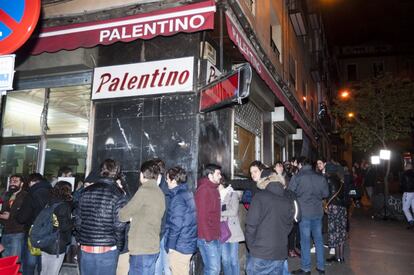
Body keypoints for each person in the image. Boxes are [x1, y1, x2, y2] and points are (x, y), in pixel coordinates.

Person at [76, 159, 127, 275]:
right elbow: (119, 225)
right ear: (116, 172)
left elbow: (78, 221)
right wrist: (119, 246)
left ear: (101, 171)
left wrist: (80, 240)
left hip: (85, 248)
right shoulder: (118, 193)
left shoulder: (85, 191)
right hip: (107, 249)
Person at [119, 160, 166, 274]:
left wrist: (130, 216)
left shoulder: (144, 191)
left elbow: (123, 215)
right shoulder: (159, 192)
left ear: (142, 174)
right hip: (152, 246)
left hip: (141, 247)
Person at [246, 169, 294, 275]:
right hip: (280, 253)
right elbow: (290, 225)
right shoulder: (287, 200)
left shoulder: (259, 197)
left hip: (260, 252)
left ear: (264, 182)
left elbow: (251, 225)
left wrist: (251, 247)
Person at [289, 157, 329, 275]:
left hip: (304, 213)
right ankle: (321, 267)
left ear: (301, 165)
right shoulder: (320, 177)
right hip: (317, 212)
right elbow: (326, 193)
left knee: (305, 241)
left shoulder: (298, 176)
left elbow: (290, 192)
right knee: (318, 239)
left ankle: (306, 268)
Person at [17, 173, 52, 275]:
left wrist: (17, 214)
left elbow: (22, 217)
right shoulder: (52, 191)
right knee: (43, 264)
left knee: (29, 263)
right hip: (48, 233)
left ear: (31, 182)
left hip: (33, 233)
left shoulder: (32, 193)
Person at [164, 166, 197, 275]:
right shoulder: (188, 193)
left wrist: (171, 246)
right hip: (187, 243)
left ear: (173, 180)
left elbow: (176, 224)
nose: (166, 181)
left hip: (180, 246)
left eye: (168, 179)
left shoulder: (178, 198)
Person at [40, 181, 73, 275]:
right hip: (57, 243)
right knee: (52, 272)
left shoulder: (48, 202)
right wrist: (74, 221)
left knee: (44, 271)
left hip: (45, 239)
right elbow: (63, 226)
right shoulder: (63, 205)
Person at [195, 164, 222, 275]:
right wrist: (208, 238)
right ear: (210, 175)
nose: (220, 176)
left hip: (214, 236)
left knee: (212, 269)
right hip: (207, 237)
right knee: (213, 269)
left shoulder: (214, 189)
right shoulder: (204, 190)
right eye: (218, 174)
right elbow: (201, 216)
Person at [219, 176, 244, 275]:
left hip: (233, 231)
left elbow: (233, 211)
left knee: (233, 260)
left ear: (222, 183)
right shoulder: (215, 196)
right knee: (225, 260)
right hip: (221, 231)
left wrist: (219, 213)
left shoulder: (232, 194)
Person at [0, 175, 28, 260]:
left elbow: (25, 214)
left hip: (17, 232)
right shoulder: (5, 195)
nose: (12, 183)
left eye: (15, 181)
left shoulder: (25, 196)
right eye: (11, 181)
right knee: (4, 260)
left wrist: (10, 216)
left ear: (22, 184)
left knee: (14, 260)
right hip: (5, 232)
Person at [325, 170, 347, 264]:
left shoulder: (328, 179)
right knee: (341, 232)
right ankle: (340, 257)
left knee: (334, 232)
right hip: (342, 208)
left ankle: (337, 257)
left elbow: (325, 193)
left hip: (333, 207)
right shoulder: (341, 181)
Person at [153, 158, 171, 275]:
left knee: (160, 263)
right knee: (165, 263)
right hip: (164, 229)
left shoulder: (160, 189)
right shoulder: (165, 187)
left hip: (160, 230)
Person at [401, 162, 414, 229]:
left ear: (407, 167)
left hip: (408, 192)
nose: (404, 167)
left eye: (405, 166)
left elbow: (402, 184)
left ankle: (411, 221)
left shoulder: (404, 174)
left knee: (405, 208)